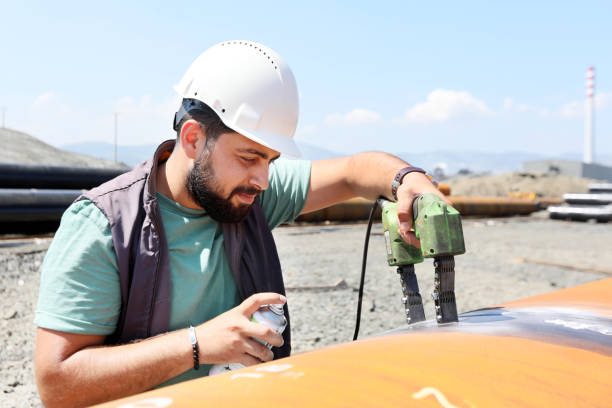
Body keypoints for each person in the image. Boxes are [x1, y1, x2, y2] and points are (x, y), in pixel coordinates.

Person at [34, 40, 448, 407]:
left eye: (271, 161)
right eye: (249, 158)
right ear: (193, 139)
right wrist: (197, 346)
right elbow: (57, 384)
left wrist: (410, 181)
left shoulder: (249, 192)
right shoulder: (104, 226)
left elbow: (356, 170)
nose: (263, 180)